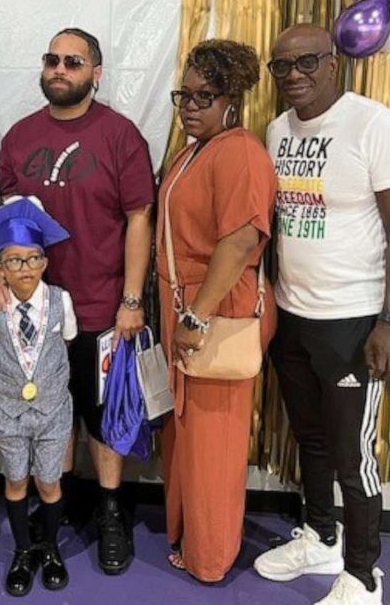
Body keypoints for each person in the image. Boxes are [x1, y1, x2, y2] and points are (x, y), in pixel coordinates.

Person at [254, 24, 390, 605]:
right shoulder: (277, 131)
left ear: (333, 63)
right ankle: (322, 537)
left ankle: (363, 573)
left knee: (353, 454)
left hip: (354, 320)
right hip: (293, 314)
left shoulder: (376, 127)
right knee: (311, 439)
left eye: (306, 61)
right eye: (282, 66)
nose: (294, 74)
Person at [0, 27, 155, 575]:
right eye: (52, 60)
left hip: (101, 306)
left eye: (74, 61)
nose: (60, 69)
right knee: (48, 418)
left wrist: (131, 298)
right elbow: (9, 226)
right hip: (35, 315)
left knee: (101, 416)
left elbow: (140, 218)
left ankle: (111, 512)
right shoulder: (18, 138)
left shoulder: (119, 135)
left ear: (95, 73)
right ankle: (51, 513)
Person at [156, 39, 278, 583]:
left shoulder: (240, 150)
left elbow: (240, 239)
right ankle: (187, 533)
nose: (190, 105)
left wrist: (198, 317)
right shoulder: (192, 150)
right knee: (185, 433)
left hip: (216, 310)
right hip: (185, 305)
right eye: (185, 94)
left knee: (213, 439)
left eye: (205, 96)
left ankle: (210, 557)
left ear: (233, 99)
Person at [0, 196, 77, 597]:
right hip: (11, 415)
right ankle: (22, 550)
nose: (25, 268)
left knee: (49, 483)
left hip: (52, 413)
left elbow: (64, 346)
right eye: (13, 261)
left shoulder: (60, 302)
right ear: (0, 267)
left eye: (33, 259)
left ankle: (49, 550)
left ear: (45, 261)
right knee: (16, 481)